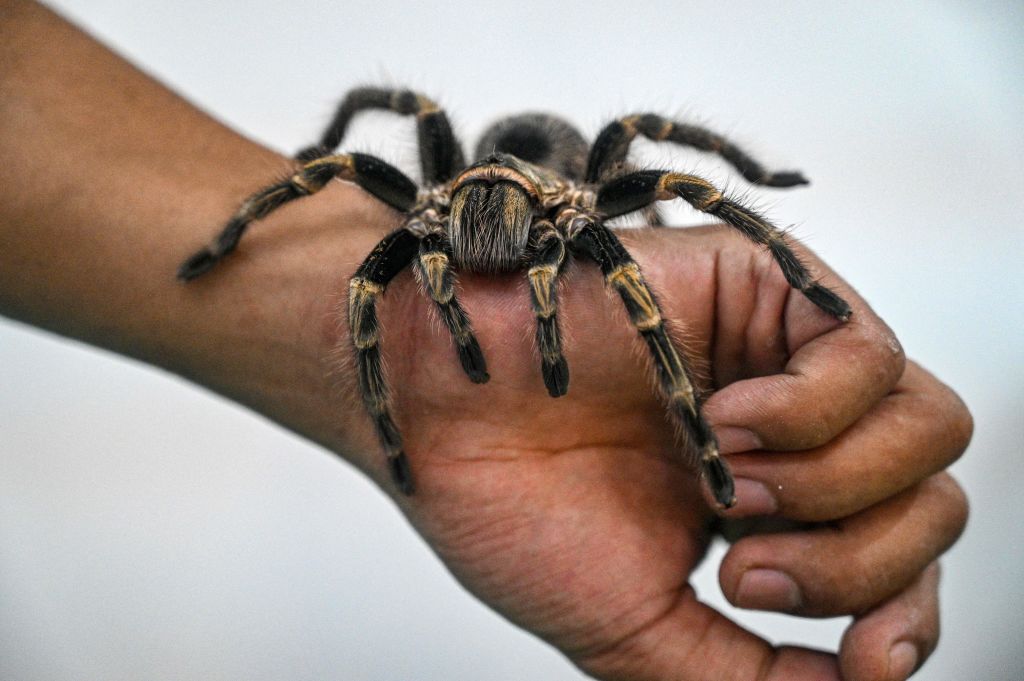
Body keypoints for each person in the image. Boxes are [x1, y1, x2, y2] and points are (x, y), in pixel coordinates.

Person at [0, 2, 972, 679]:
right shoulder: (429, 208)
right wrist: (374, 400)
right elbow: (343, 165)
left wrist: (774, 249)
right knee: (362, 151)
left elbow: (690, 189)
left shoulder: (585, 209)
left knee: (661, 209)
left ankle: (706, 436)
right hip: (471, 189)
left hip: (552, 173)